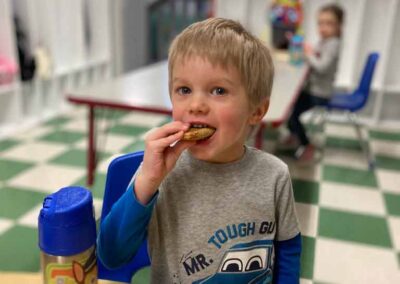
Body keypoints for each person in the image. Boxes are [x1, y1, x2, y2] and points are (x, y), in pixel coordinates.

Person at [97, 18, 301, 284]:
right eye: (184, 90)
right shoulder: (160, 175)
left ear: (257, 111)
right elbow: (111, 256)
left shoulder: (275, 176)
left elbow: (288, 250)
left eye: (218, 90)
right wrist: (146, 183)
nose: (196, 105)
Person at [284, 4, 344, 162]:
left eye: (329, 23)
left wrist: (308, 53)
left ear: (339, 26)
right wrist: (310, 51)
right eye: (320, 23)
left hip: (320, 93)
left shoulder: (334, 43)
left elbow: (322, 66)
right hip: (313, 89)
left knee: (293, 114)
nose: (323, 27)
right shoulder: (325, 41)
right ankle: (293, 133)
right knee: (290, 106)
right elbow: (315, 56)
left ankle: (306, 144)